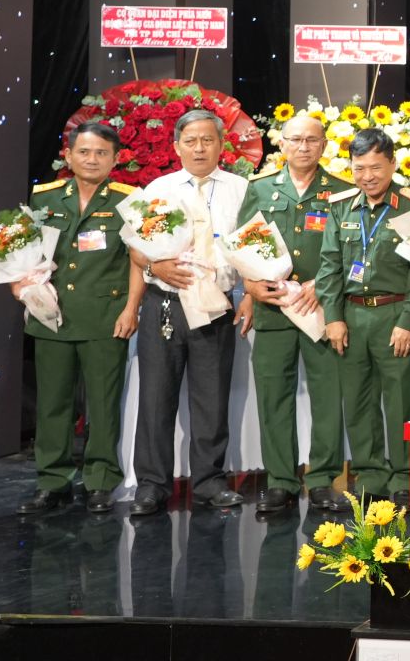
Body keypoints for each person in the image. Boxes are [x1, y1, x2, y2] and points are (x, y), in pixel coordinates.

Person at [127, 108, 250, 515]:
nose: (199, 148)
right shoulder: (158, 189)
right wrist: (154, 266)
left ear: (221, 145)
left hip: (216, 305)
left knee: (211, 398)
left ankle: (210, 481)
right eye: (191, 141)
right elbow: (135, 248)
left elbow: (255, 245)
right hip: (164, 304)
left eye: (207, 140)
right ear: (177, 146)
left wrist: (250, 294)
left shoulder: (240, 189)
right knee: (155, 397)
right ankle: (152, 485)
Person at [18, 123, 140, 515]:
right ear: (68, 155)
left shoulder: (128, 200)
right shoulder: (45, 196)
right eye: (84, 152)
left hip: (105, 316)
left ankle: (100, 481)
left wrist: (131, 309)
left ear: (115, 159)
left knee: (103, 404)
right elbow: (23, 251)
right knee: (52, 404)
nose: (92, 159)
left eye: (101, 153)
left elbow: (138, 260)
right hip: (52, 315)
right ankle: (52, 482)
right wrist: (20, 284)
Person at [237, 113, 354, 514]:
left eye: (312, 140)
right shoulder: (260, 189)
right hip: (274, 310)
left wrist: (322, 285)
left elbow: (351, 248)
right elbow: (244, 244)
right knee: (273, 397)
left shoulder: (342, 191)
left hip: (321, 309)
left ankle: (322, 479)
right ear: (282, 144)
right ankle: (281, 481)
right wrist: (250, 286)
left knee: (328, 397)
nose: (304, 147)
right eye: (296, 139)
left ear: (325, 146)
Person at [315, 128, 410, 505]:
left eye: (376, 168)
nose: (367, 176)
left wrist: (408, 320)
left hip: (395, 314)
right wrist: (333, 317)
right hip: (352, 316)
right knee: (358, 399)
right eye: (359, 168)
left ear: (393, 164)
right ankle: (370, 475)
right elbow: (329, 266)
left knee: (401, 400)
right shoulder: (341, 207)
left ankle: (404, 476)